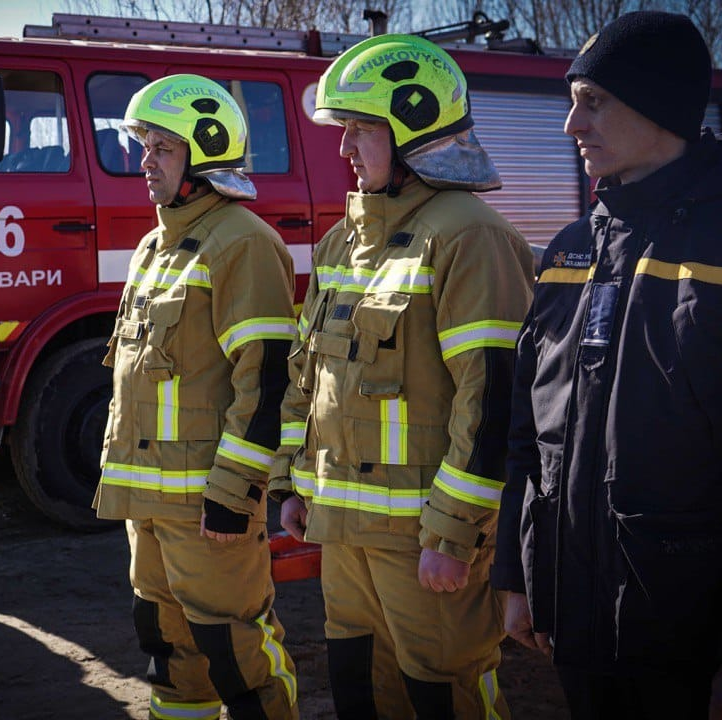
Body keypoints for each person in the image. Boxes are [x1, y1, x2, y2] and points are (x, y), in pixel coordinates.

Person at [491, 12, 722, 720]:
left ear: (658, 103)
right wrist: (517, 575)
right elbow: (527, 433)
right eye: (572, 101)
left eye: (593, 101)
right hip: (576, 628)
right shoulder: (570, 251)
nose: (572, 125)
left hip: (692, 644)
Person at [269, 34, 533, 719]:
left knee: (445, 700)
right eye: (344, 129)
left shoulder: (470, 236)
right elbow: (308, 376)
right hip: (344, 539)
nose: (343, 148)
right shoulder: (340, 243)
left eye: (359, 129)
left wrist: (452, 535)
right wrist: (290, 482)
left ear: (415, 132)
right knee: (363, 698)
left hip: (426, 549)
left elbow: (493, 399)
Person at [94, 73, 300, 720]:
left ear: (205, 155)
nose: (144, 161)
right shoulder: (155, 245)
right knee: (169, 655)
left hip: (207, 506)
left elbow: (266, 381)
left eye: (162, 147)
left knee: (238, 657)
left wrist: (235, 491)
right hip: (149, 501)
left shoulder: (241, 241)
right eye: (143, 145)